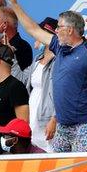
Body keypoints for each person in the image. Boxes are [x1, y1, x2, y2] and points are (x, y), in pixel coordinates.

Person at [10, 0, 87, 153]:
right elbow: (32, 30)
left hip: (85, 125)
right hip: (63, 125)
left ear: (70, 30)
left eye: (59, 27)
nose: (56, 31)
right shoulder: (59, 46)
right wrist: (15, 5)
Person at [26, 18, 58, 152]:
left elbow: (60, 92)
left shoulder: (58, 60)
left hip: (48, 117)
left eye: (38, 32)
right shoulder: (37, 59)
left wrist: (54, 119)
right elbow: (21, 79)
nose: (35, 35)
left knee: (49, 153)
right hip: (33, 113)